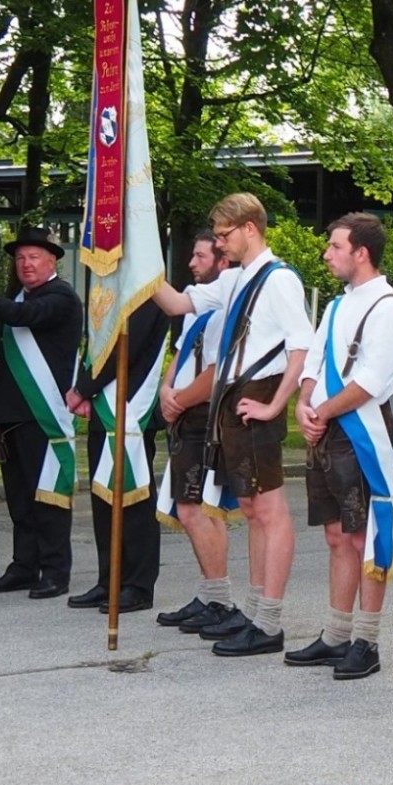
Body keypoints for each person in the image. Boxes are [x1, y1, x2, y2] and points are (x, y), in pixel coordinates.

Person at [148, 193, 312, 657]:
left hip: (257, 393)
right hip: (236, 397)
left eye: (224, 235)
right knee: (254, 510)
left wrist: (274, 404)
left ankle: (270, 620)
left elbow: (301, 346)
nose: (220, 244)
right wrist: (139, 262)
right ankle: (257, 613)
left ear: (249, 229)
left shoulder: (278, 280)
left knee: (270, 511)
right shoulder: (238, 278)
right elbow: (178, 302)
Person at [289, 213, 393, 679]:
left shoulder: (389, 309)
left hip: (362, 431)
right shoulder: (338, 305)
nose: (326, 254)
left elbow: (370, 382)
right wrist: (304, 403)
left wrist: (319, 413)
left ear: (361, 253)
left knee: (365, 537)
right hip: (326, 428)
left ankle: (367, 641)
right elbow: (316, 357)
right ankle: (336, 635)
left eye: (335, 247)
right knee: (336, 535)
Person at [0, 226, 82, 598]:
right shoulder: (17, 297)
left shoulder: (61, 298)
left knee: (48, 498)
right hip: (8, 413)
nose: (26, 264)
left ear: (53, 260)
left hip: (42, 415)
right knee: (19, 498)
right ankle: (25, 565)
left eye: (34, 257)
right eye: (21, 258)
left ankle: (55, 570)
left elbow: (21, 316)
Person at [154, 233, 241, 634]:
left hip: (204, 413)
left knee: (196, 508)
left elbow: (214, 371)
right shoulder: (199, 307)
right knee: (196, 508)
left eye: (200, 255)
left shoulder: (224, 304)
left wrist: (181, 399)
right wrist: (165, 391)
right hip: (185, 412)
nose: (192, 262)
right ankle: (211, 594)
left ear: (223, 262)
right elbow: (181, 355)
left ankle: (219, 599)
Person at [67, 299, 169, 614]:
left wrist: (84, 388)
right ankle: (109, 579)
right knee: (104, 497)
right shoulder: (114, 292)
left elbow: (126, 348)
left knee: (133, 500)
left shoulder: (148, 293)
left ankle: (137, 585)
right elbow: (98, 343)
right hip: (105, 408)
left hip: (131, 407)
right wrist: (86, 388)